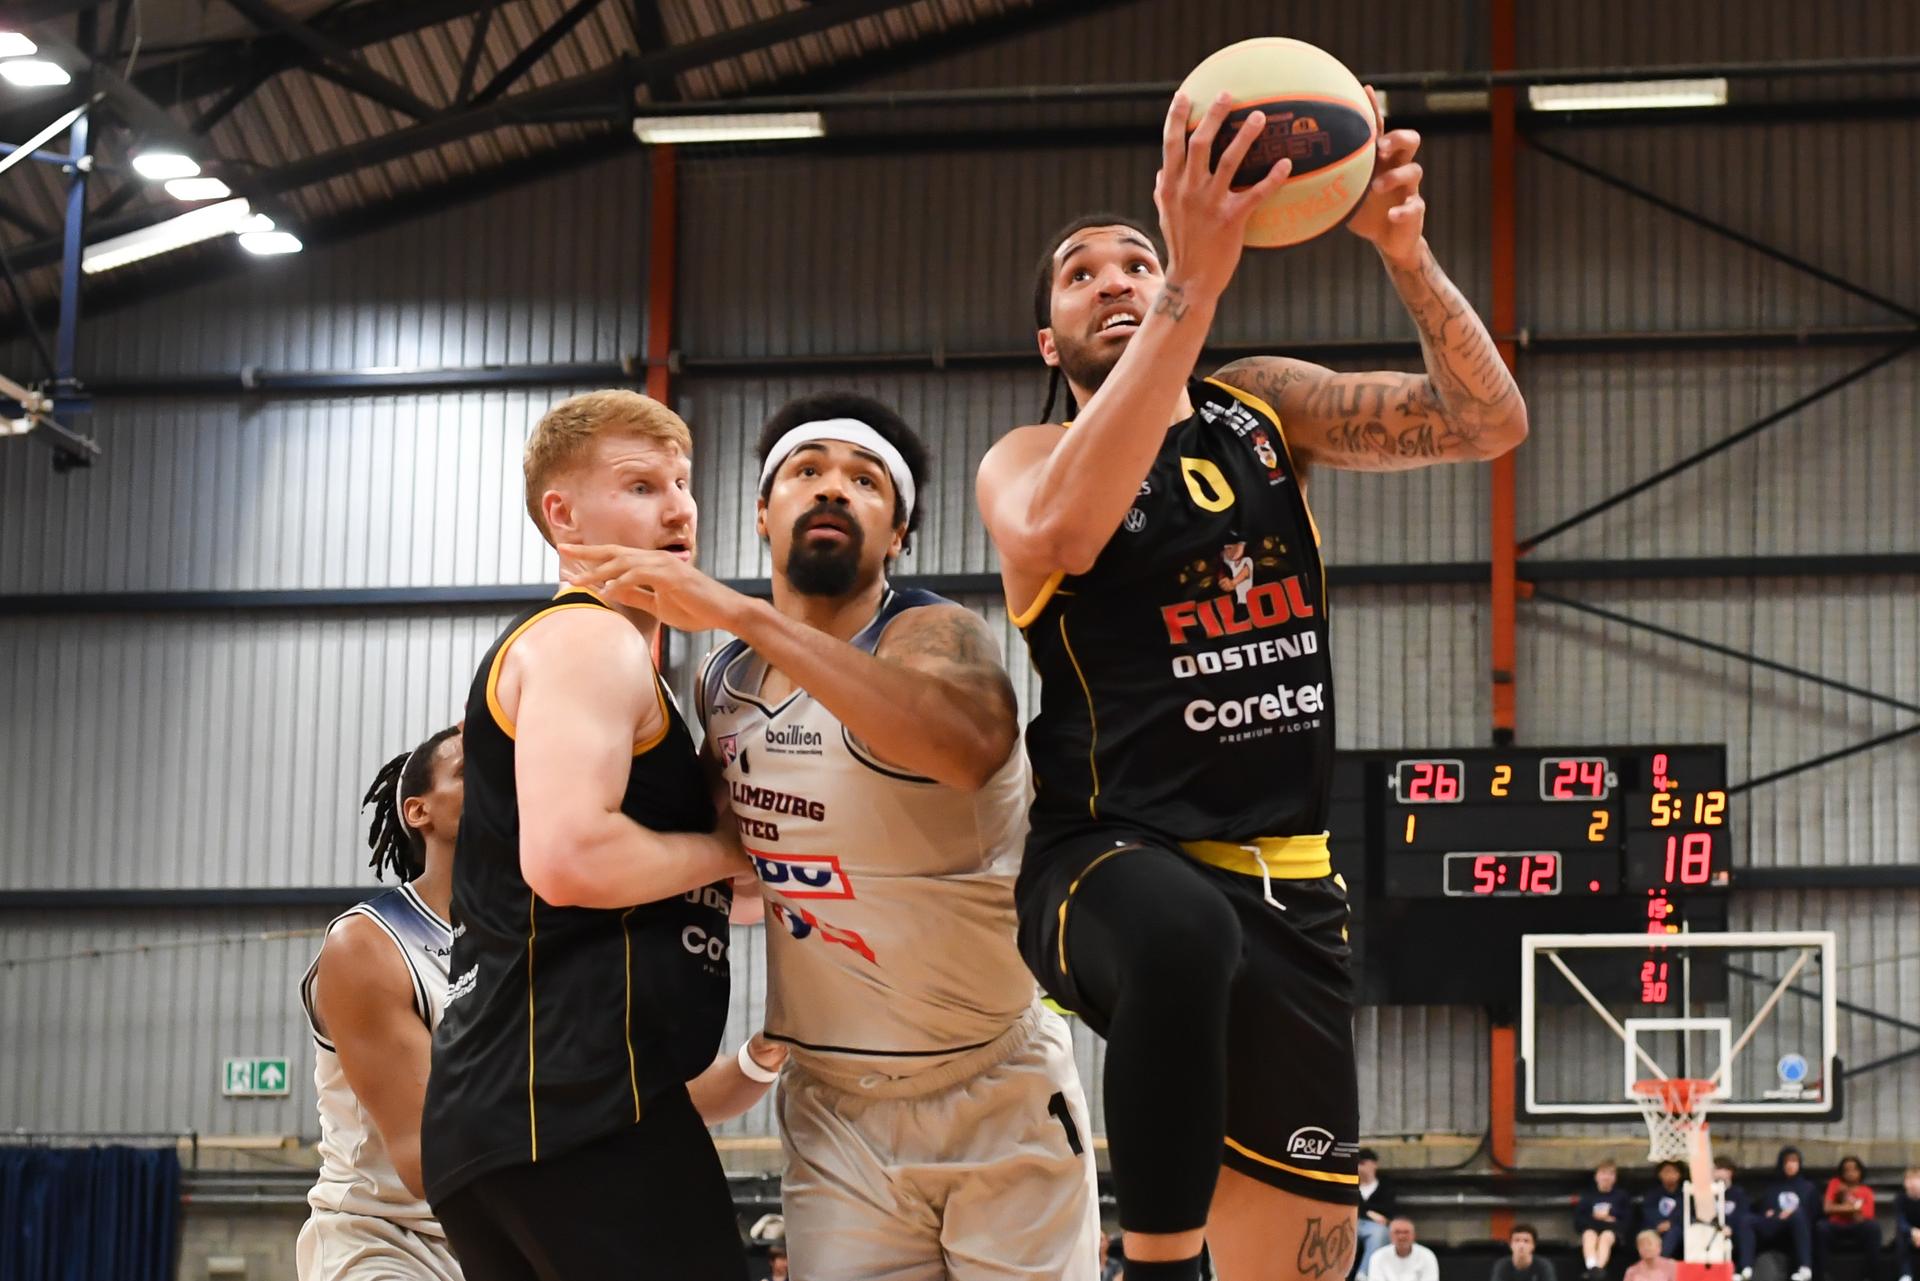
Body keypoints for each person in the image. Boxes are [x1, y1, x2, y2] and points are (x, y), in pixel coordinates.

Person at [976, 87, 1526, 1281]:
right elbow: (1066, 531)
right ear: (1047, 342)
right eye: (1084, 275)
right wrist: (1189, 284)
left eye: (1134, 257)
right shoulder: (1024, 459)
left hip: (1292, 893)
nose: (1118, 279)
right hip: (1105, 859)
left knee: (1302, 1266)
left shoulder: (1261, 406)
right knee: (1179, 936)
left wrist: (1404, 248)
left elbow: (1487, 422)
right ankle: (1159, 1268)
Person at [565, 391, 1100, 1279]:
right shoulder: (726, 682)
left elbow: (963, 747)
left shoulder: (936, 633)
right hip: (836, 1106)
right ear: (765, 514)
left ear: (897, 537)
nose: (833, 490)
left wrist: (741, 612)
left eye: (864, 481)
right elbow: (723, 852)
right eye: (806, 473)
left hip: (993, 1090)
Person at [420, 390, 754, 1280]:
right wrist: (732, 850)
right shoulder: (588, 641)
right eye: (641, 485)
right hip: (572, 1108)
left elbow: (629, 880)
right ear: (560, 514)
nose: (678, 506)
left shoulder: (605, 658)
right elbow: (571, 859)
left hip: (519, 1111)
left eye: (682, 482)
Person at [296, 726, 465, 1281]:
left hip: (496, 1239)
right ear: (420, 811)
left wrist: (750, 1059)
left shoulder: (533, 938)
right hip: (381, 1243)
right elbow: (425, 1157)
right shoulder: (368, 942)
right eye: (472, 772)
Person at [1753, 1147, 1816, 1281]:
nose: (1790, 1165)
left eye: (1794, 1161)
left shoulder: (1808, 1188)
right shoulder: (1773, 1187)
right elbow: (1767, 1212)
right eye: (1787, 1161)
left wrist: (1791, 1213)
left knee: (1798, 1215)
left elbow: (1812, 1213)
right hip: (1775, 1230)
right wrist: (1780, 1214)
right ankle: (1744, 1268)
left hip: (1798, 1232)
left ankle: (1805, 1267)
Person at [1816, 1156, 1880, 1275]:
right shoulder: (1835, 1183)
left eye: (1854, 1170)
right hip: (1836, 1226)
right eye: (1846, 1170)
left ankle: (1871, 1275)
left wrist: (1843, 1199)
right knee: (1821, 1227)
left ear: (1860, 1172)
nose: (1850, 1173)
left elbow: (1866, 1216)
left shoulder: (1866, 1191)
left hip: (1858, 1228)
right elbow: (1827, 1208)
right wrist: (1853, 1208)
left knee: (1873, 1227)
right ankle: (1823, 1275)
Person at [1577, 1161, 1631, 1279]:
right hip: (1591, 1228)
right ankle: (1592, 1267)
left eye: (1611, 1174)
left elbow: (1626, 1220)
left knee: (1605, 1237)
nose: (1606, 1177)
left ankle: (1598, 1270)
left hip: (1613, 1232)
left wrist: (1610, 1215)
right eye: (1603, 1173)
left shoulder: (1621, 1195)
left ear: (1615, 1178)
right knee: (1589, 1235)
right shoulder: (1588, 1195)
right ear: (1596, 1176)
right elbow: (1579, 1220)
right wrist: (1598, 1218)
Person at [1355, 1150, 1396, 1278]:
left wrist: (1364, 1211)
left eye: (1363, 1163)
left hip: (1374, 1227)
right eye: (1357, 1163)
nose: (1360, 1166)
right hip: (1352, 1223)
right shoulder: (1351, 1184)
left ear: (1374, 1164)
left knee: (1379, 1234)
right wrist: (1369, 1212)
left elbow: (1388, 1209)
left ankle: (1364, 1275)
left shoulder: (1385, 1185)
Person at [1713, 1160, 1752, 1279]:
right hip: (1713, 1232)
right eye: (1716, 1169)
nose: (1718, 1172)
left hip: (1733, 1231)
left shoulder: (1738, 1193)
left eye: (1721, 1168)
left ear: (1730, 1173)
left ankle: (1743, 1269)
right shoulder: (1708, 1193)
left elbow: (1743, 1213)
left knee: (1745, 1230)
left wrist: (1730, 1227)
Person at [1366, 1219, 1438, 1281]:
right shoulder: (1378, 1256)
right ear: (1390, 1235)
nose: (1401, 1236)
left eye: (1406, 1232)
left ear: (1414, 1235)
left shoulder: (1427, 1255)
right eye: (1397, 1232)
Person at [1643, 1163, 1686, 1258]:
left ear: (1679, 1174)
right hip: (1655, 1227)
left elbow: (1685, 1213)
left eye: (1673, 1171)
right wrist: (1658, 1224)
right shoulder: (1652, 1194)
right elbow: (1648, 1211)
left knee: (1673, 1232)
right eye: (1666, 1171)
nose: (1670, 1175)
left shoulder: (1685, 1194)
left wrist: (1671, 1223)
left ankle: (1660, 1260)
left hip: (1677, 1229)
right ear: (1660, 1174)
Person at [1493, 1225, 1558, 1281]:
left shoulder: (1544, 1265)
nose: (1521, 1245)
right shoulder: (1502, 1265)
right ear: (1510, 1245)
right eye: (1517, 1240)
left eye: (1526, 1241)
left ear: (1533, 1246)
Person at [1893, 1167, 1919, 1281]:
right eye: (1909, 1179)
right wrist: (1913, 1231)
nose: (1912, 1183)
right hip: (1908, 1234)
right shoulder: (1900, 1198)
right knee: (1900, 1236)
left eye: (1916, 1179)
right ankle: (1905, 1275)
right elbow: (1900, 1219)